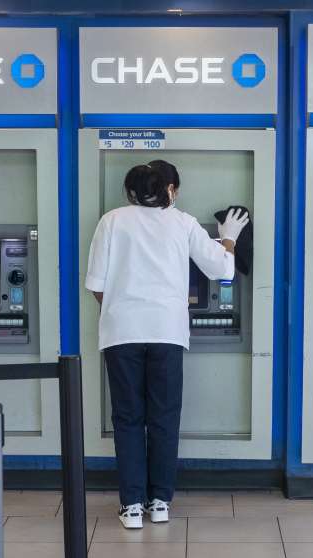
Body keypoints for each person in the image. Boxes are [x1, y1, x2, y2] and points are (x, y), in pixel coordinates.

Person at [85, 160, 249, 529]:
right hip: (168, 334)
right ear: (171, 189)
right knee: (164, 418)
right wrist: (229, 237)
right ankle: (160, 502)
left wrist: (121, 309)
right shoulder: (184, 223)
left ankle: (131, 507)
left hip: (121, 333)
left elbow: (96, 284)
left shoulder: (111, 221)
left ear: (131, 190)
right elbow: (223, 270)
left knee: (127, 418)